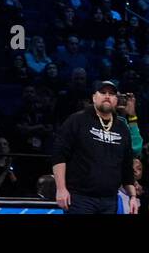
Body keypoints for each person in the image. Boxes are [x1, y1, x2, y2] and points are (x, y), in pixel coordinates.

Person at [52, 79, 138, 214]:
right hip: (80, 198)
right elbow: (59, 155)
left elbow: (126, 167)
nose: (107, 96)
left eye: (111, 94)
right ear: (94, 97)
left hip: (110, 200)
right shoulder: (77, 120)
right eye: (103, 92)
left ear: (116, 100)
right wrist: (61, 189)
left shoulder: (122, 128)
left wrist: (132, 196)